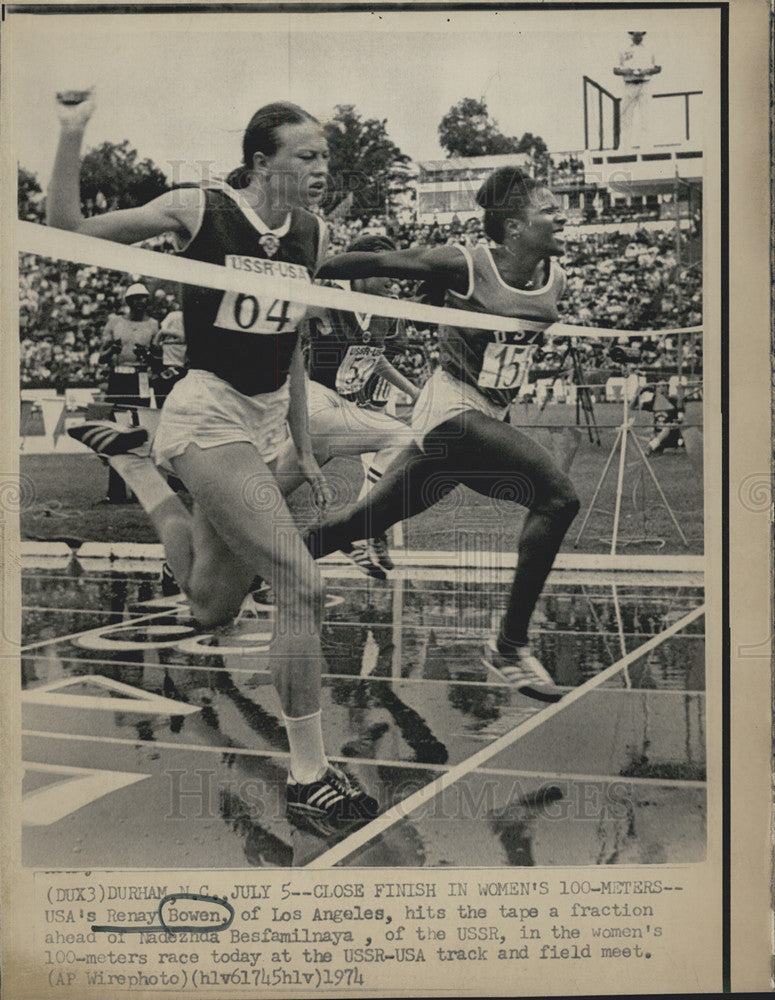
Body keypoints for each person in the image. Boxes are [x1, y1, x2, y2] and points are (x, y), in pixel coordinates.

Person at [49, 91, 378, 827]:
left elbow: (291, 344)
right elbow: (66, 228)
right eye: (306, 156)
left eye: (326, 155)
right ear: (261, 163)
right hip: (207, 414)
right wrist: (73, 133)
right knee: (300, 581)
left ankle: (136, 470)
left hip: (264, 421)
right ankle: (309, 775)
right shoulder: (201, 210)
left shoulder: (314, 234)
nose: (323, 168)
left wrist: (298, 437)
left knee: (208, 606)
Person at [307, 166, 580, 702]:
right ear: (514, 228)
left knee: (358, 523)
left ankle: (253, 566)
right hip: (449, 410)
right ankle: (509, 647)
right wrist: (306, 262)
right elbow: (386, 261)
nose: (562, 216)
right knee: (558, 497)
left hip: (485, 418)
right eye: (549, 210)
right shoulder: (468, 263)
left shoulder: (558, 278)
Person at [304, 233, 422, 578]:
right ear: (362, 268)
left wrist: (414, 392)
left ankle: (356, 526)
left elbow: (376, 359)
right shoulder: (329, 297)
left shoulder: (383, 308)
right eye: (388, 268)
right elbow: (285, 321)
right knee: (263, 488)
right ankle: (354, 528)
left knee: (403, 441)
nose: (395, 277)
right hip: (316, 400)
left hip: (348, 406)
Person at [99, 282, 158, 502]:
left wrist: (148, 356)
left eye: (144, 299)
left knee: (138, 433)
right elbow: (101, 357)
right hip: (118, 379)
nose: (141, 303)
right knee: (116, 432)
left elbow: (157, 359)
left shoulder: (153, 325)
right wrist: (111, 350)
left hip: (140, 380)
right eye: (137, 299)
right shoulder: (115, 323)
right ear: (129, 302)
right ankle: (115, 490)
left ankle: (138, 490)